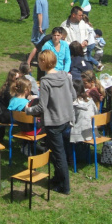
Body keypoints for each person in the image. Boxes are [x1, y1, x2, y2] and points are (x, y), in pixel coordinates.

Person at [26, 50, 76, 194]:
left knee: (58, 154)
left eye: (39, 61)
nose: (37, 63)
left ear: (44, 62)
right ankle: (57, 178)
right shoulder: (65, 76)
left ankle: (64, 186)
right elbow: (73, 95)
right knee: (58, 153)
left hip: (54, 123)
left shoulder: (46, 81)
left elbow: (42, 106)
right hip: (66, 119)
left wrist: (27, 110)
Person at [0, 69, 20, 141]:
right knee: (25, 120)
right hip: (5, 116)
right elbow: (14, 105)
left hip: (4, 114)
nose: (18, 80)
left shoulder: (9, 87)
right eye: (17, 79)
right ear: (12, 79)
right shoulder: (9, 90)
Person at [70, 80, 97, 145]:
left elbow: (71, 122)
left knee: (61, 132)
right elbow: (97, 113)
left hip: (79, 134)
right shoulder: (90, 101)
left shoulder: (74, 104)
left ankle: (70, 154)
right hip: (92, 131)